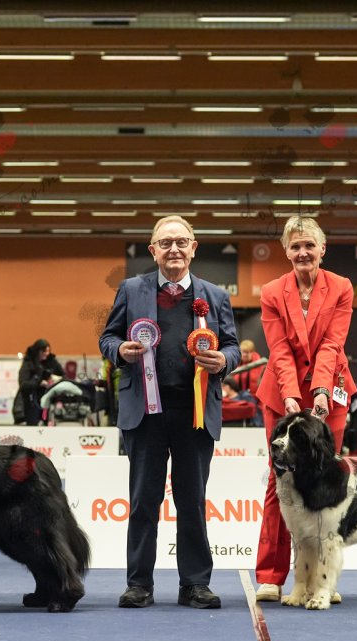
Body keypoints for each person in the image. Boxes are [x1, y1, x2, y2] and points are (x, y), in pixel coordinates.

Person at [100, 215, 240, 610]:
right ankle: (139, 584)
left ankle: (195, 584)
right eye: (166, 243)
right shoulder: (132, 289)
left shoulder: (215, 296)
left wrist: (224, 361)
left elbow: (232, 345)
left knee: (192, 502)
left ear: (194, 248)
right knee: (143, 501)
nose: (174, 249)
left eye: (181, 242)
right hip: (145, 414)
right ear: (153, 251)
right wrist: (119, 351)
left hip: (195, 414)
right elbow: (108, 336)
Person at [252, 215, 356, 603]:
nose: (302, 252)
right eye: (295, 246)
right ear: (286, 251)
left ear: (322, 249)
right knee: (280, 482)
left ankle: (322, 579)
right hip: (281, 394)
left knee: (326, 480)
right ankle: (271, 575)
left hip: (331, 394)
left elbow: (332, 343)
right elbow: (279, 349)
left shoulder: (342, 287)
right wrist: (292, 396)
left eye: (309, 245)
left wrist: (321, 391)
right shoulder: (271, 292)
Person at [16, 339, 65, 425]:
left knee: (45, 422)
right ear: (38, 351)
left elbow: (63, 376)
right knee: (33, 425)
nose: (46, 353)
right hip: (31, 403)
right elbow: (23, 384)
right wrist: (39, 383)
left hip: (47, 403)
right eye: (44, 351)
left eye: (48, 351)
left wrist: (54, 380)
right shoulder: (28, 363)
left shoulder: (52, 362)